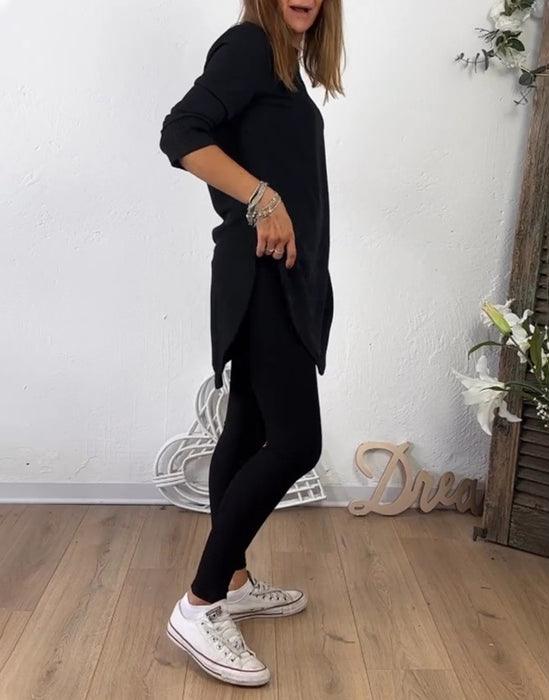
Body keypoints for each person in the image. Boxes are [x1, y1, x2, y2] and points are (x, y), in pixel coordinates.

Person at [159, 0, 344, 687]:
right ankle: (200, 603)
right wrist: (261, 198)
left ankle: (232, 581)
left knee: (248, 429)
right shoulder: (248, 47)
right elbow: (181, 132)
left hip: (284, 275)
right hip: (261, 273)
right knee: (297, 443)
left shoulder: (283, 65)